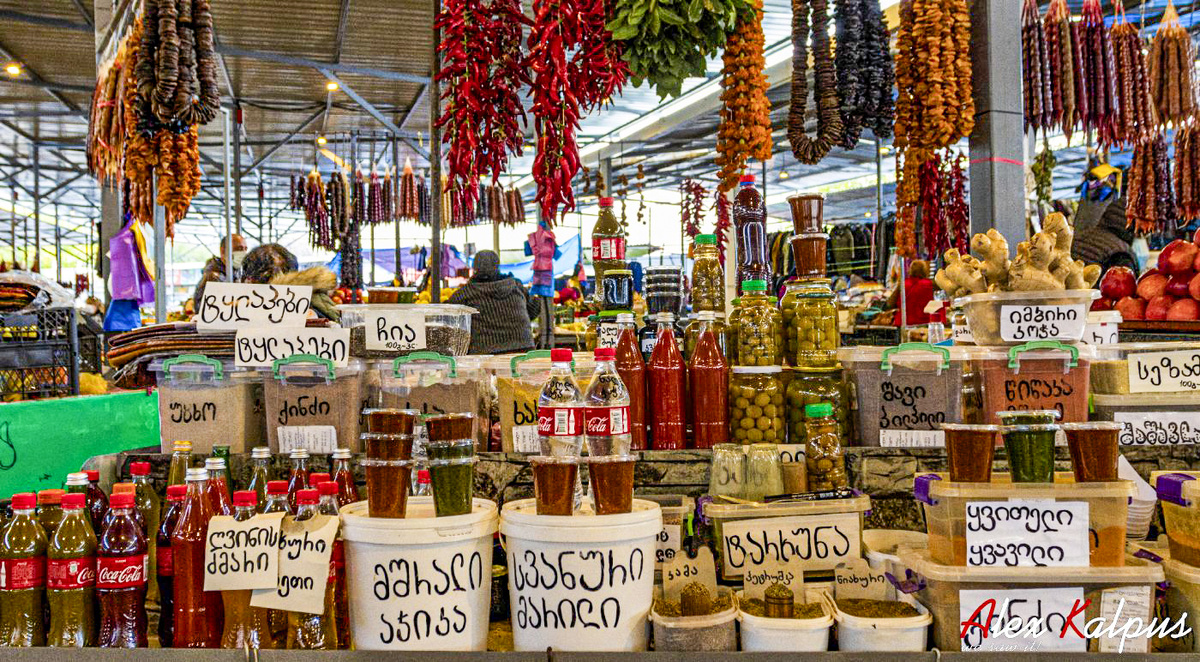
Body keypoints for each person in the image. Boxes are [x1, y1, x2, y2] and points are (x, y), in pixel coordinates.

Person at [447, 250, 540, 354]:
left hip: (485, 354)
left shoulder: (465, 293)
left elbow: (445, 316)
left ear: (474, 268)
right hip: (523, 351)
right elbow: (535, 308)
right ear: (498, 266)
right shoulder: (515, 286)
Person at [192, 234, 247, 306]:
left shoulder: (235, 273)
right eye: (238, 249)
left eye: (245, 249)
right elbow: (214, 307)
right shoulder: (214, 277)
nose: (243, 253)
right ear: (223, 251)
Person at [885, 259, 937, 326]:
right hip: (924, 323)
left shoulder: (903, 284)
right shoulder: (930, 284)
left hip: (903, 322)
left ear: (910, 270)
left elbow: (890, 304)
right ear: (925, 271)